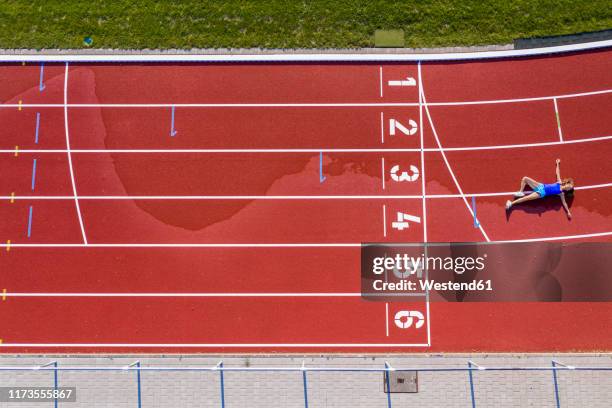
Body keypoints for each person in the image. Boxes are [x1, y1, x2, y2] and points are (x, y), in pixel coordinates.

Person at [505, 159, 574, 218]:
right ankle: (520, 192)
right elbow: (557, 173)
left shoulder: (561, 193)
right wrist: (557, 164)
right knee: (525, 178)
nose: (568, 188)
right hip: (540, 186)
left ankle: (511, 204)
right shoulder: (559, 182)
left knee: (525, 198)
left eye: (569, 189)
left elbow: (564, 203)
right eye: (569, 186)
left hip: (541, 193)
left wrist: (568, 212)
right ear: (567, 183)